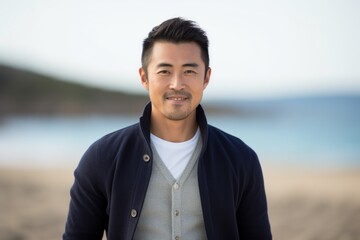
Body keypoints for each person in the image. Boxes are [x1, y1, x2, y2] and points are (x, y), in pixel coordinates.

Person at [63, 17, 272, 240]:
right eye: (164, 71)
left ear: (206, 78)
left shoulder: (241, 159)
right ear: (144, 78)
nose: (177, 84)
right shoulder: (102, 157)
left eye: (189, 71)